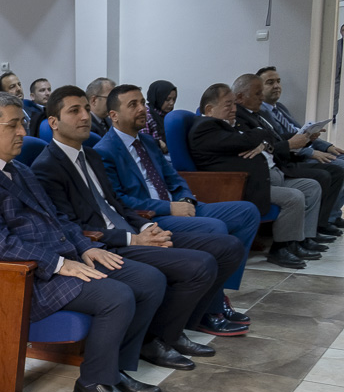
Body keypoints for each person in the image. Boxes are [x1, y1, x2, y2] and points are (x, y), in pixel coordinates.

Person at [0, 92, 165, 392]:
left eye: (22, 123)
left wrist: (85, 247)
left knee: (150, 280)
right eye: (13, 125)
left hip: (64, 258)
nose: (23, 132)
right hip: (27, 278)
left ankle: (114, 369)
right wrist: (61, 263)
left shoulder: (20, 170)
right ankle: (93, 383)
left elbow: (58, 218)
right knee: (117, 297)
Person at [31, 85, 247, 366]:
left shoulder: (91, 155)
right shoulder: (46, 167)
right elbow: (69, 227)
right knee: (199, 265)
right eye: (74, 111)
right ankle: (157, 339)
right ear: (53, 122)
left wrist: (146, 228)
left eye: (85, 108)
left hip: (132, 231)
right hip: (106, 244)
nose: (84, 116)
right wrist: (132, 239)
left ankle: (173, 329)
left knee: (229, 247)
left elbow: (117, 206)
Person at [94, 84, 260, 334]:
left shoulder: (147, 141)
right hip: (152, 217)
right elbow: (120, 201)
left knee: (247, 212)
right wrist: (170, 207)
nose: (142, 109)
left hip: (181, 206)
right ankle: (209, 311)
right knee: (215, 228)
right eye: (133, 105)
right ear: (114, 115)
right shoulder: (103, 151)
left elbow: (174, 177)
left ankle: (218, 288)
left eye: (142, 103)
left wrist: (187, 200)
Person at [190, 82, 324, 269]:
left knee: (310, 187)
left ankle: (299, 241)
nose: (234, 109)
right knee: (293, 197)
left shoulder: (224, 125)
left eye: (234, 104)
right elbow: (246, 139)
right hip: (237, 186)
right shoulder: (205, 128)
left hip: (259, 179)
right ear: (209, 109)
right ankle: (281, 249)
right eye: (228, 105)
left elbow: (257, 138)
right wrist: (260, 137)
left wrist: (261, 143)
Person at [234, 73, 344, 239]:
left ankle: (314, 230)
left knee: (332, 172)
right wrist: (294, 146)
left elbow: (279, 137)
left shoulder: (261, 112)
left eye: (278, 81)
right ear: (240, 97)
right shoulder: (241, 117)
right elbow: (263, 146)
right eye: (258, 93)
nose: (262, 97)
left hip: (285, 158)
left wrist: (307, 138)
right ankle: (311, 231)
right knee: (327, 174)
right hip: (278, 164)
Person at [144, 81, 177, 153]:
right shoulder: (146, 115)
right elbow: (144, 142)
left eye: (174, 99)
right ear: (158, 97)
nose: (172, 103)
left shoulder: (170, 115)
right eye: (167, 99)